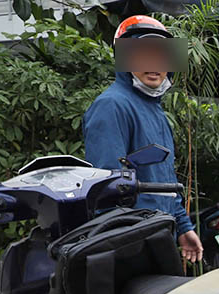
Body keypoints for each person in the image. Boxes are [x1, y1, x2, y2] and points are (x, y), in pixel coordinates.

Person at [83, 15, 202, 263]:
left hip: (160, 235)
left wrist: (183, 227)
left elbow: (165, 182)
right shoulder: (111, 105)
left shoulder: (156, 111)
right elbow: (108, 189)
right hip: (132, 244)